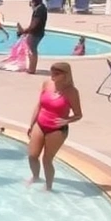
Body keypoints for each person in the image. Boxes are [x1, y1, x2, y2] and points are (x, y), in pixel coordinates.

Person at [27, 62, 83, 191]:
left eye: (57, 74)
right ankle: (35, 177)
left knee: (47, 159)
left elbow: (79, 115)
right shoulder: (47, 84)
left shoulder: (71, 92)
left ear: (65, 75)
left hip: (57, 129)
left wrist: (66, 120)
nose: (53, 75)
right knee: (32, 155)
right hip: (40, 124)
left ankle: (48, 186)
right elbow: (39, 105)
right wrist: (32, 124)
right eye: (52, 72)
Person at [16, 0, 48, 74]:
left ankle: (32, 69)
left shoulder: (39, 10)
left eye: (31, 2)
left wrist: (24, 31)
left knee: (32, 50)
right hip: (37, 32)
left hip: (36, 33)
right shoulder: (42, 8)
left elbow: (35, 24)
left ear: (34, 2)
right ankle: (31, 68)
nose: (31, 4)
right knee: (32, 50)